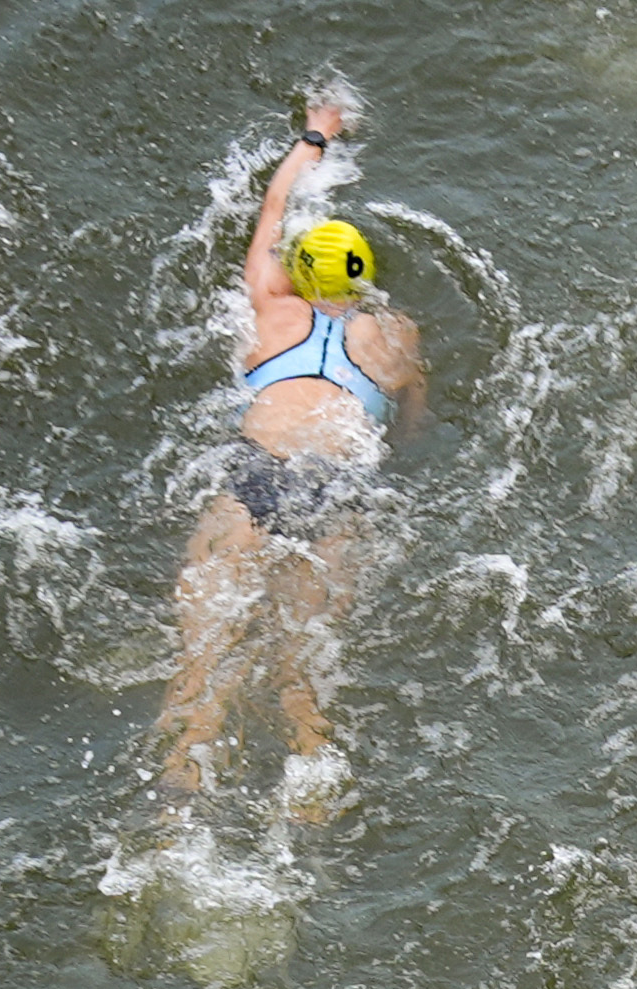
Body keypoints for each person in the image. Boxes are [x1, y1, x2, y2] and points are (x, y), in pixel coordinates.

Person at [152, 93, 428, 808]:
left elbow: (274, 207)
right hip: (337, 485)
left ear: (297, 274)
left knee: (201, 667)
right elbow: (410, 425)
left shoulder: (271, 308)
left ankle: (178, 799)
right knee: (299, 677)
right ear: (362, 277)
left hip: (256, 473)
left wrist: (317, 133)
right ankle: (312, 790)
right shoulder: (396, 333)